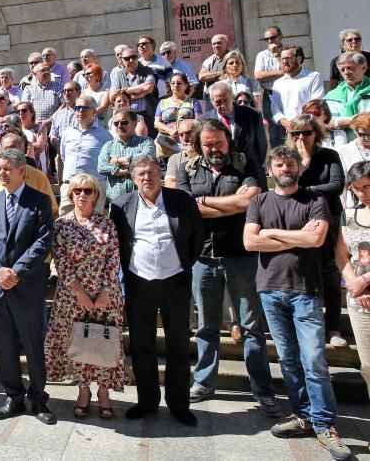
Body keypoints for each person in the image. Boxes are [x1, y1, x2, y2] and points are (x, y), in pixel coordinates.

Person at [243, 147, 352, 459]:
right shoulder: (260, 201)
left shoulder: (314, 200)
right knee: (289, 360)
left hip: (305, 290)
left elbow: (316, 240)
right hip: (269, 290)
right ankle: (304, 415)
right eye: (279, 163)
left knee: (314, 360)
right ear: (271, 169)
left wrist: (271, 234)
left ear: (299, 167)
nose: (285, 167)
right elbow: (250, 241)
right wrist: (293, 235)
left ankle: (324, 424)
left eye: (290, 162)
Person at [176, 118, 280, 415]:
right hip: (203, 258)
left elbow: (252, 201)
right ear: (199, 144)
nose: (214, 149)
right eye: (207, 144)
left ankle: (262, 389)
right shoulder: (189, 168)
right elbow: (187, 205)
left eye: (218, 143)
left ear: (228, 141)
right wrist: (231, 202)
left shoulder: (245, 164)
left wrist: (206, 201)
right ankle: (204, 382)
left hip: (242, 257)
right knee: (207, 326)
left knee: (250, 327)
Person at [110, 154, 203, 426]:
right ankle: (147, 401)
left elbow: (197, 236)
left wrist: (182, 265)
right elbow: (117, 245)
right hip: (139, 284)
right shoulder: (121, 205)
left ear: (160, 173)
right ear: (133, 178)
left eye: (151, 172)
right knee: (141, 346)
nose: (147, 178)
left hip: (175, 282)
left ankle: (179, 404)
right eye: (141, 174)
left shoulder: (181, 200)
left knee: (178, 346)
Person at [0, 148, 56, 423]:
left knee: (33, 344)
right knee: (5, 345)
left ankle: (38, 399)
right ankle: (13, 396)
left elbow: (43, 242)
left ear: (22, 171)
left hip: (27, 286)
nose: (2, 173)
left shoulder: (40, 201)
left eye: (7, 168)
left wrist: (16, 272)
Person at [45, 173, 126, 419]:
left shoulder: (107, 224)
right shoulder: (62, 225)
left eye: (87, 191)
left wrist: (104, 292)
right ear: (70, 194)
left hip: (105, 294)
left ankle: (103, 392)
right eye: (77, 190)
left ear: (95, 196)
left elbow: (113, 259)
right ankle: (82, 390)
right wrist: (80, 293)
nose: (82, 194)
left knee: (103, 342)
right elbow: (62, 262)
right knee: (79, 343)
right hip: (72, 296)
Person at [286, 114, 348, 348]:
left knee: (330, 271)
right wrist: (303, 163)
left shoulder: (329, 155)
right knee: (303, 270)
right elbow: (287, 186)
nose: (301, 138)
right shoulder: (288, 157)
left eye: (306, 133)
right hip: (299, 219)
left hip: (329, 217)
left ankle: (333, 326)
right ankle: (309, 324)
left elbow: (336, 185)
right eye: (296, 133)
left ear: (316, 134)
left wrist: (307, 189)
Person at [337, 161, 370, 401]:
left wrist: (365, 280)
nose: (362, 193)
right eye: (357, 188)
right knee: (368, 366)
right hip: (359, 301)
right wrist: (354, 283)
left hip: (363, 288)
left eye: (367, 186)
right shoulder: (348, 215)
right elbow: (341, 255)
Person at [59, 95, 112, 214]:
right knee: (65, 226)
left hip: (93, 189)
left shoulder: (104, 135)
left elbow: (109, 161)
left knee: (94, 226)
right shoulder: (67, 133)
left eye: (84, 108)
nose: (80, 111)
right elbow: (64, 157)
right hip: (70, 187)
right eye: (78, 108)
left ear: (93, 111)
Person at [202, 81, 269, 169]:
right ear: (212, 101)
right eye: (218, 102)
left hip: (248, 169)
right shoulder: (204, 120)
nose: (223, 105)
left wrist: (257, 168)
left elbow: (262, 146)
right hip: (219, 171)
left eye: (226, 100)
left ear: (232, 97)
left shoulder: (252, 115)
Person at [98, 109, 154, 203]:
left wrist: (117, 161)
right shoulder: (109, 146)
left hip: (141, 201)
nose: (119, 126)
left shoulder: (146, 142)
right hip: (116, 202)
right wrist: (129, 170)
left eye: (124, 123)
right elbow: (101, 167)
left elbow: (146, 159)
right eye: (116, 123)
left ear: (135, 124)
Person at [272, 45, 325, 134]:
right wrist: (287, 124)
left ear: (299, 58)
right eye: (282, 59)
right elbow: (275, 108)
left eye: (288, 58)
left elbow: (316, 103)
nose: (284, 62)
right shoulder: (278, 83)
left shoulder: (313, 77)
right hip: (287, 130)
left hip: (309, 129)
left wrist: (301, 125)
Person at [110, 47, 157, 137]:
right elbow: (112, 96)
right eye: (127, 58)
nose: (131, 60)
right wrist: (142, 92)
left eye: (134, 57)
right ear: (122, 61)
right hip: (125, 117)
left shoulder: (147, 71)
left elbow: (148, 87)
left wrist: (125, 91)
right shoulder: (118, 75)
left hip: (146, 115)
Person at [153, 72, 202, 156]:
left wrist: (184, 133)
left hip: (186, 141)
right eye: (173, 83)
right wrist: (170, 131)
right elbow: (156, 123)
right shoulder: (162, 102)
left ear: (186, 85)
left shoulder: (193, 102)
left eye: (179, 83)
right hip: (166, 143)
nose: (175, 85)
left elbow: (198, 121)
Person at [325, 52, 370, 140]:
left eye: (350, 68)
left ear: (364, 67)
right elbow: (322, 124)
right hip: (341, 147)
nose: (346, 73)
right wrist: (344, 122)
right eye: (342, 70)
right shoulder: (332, 96)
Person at [339, 113, 370, 214]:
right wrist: (343, 209)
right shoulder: (344, 151)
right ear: (355, 131)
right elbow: (342, 182)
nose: (367, 138)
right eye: (362, 134)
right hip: (355, 203)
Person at [198, 34, 230, 102]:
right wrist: (221, 73)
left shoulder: (234, 58)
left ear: (226, 44)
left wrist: (211, 75)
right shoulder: (209, 60)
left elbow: (234, 74)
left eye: (219, 43)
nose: (216, 46)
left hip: (230, 97)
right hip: (212, 98)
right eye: (213, 44)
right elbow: (201, 77)